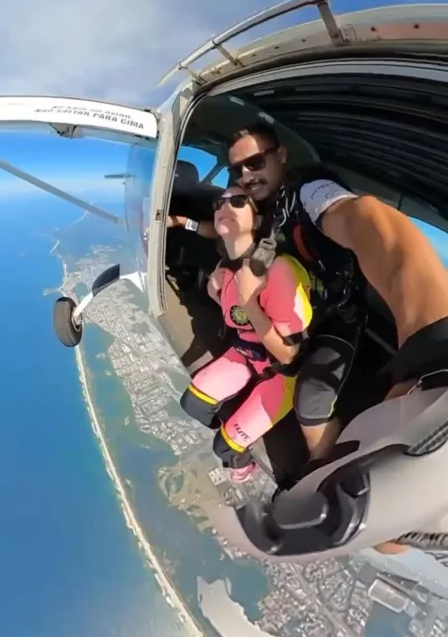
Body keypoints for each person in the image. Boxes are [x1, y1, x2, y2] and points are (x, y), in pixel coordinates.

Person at [170, 123, 448, 467]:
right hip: (285, 308)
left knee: (310, 402)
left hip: (335, 316)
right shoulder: (261, 208)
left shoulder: (308, 191)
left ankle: (319, 467)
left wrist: (432, 338)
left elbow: (361, 219)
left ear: (281, 156)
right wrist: (182, 223)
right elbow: (224, 228)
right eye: (237, 169)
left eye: (255, 162)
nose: (246, 176)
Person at [179, 185, 313, 483]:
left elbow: (290, 357)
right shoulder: (225, 268)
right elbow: (237, 318)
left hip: (281, 372)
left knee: (224, 448)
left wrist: (249, 302)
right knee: (192, 403)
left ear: (257, 219)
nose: (224, 207)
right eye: (219, 203)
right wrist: (216, 294)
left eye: (238, 201)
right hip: (244, 352)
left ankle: (243, 462)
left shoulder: (278, 271)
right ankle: (238, 423)